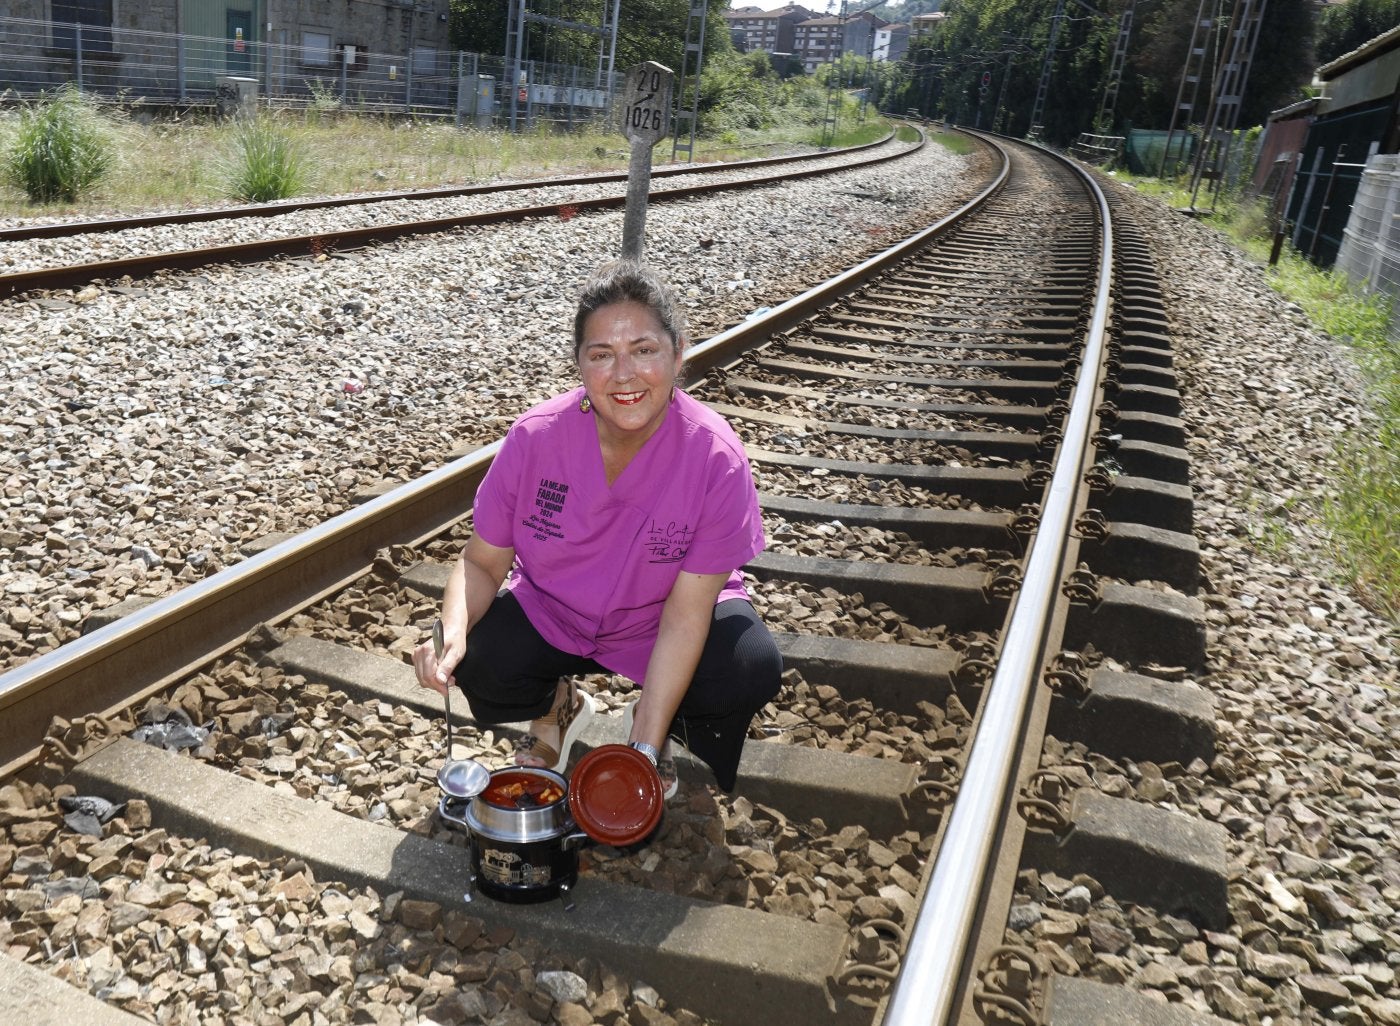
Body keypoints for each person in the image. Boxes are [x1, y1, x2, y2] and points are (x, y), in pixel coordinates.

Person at [413, 260, 782, 797]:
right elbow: (480, 561)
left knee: (746, 667)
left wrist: (643, 750)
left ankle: (657, 718)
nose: (624, 373)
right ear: (580, 366)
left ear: (679, 354)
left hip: (662, 618)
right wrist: (449, 637)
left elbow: (685, 616)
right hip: (556, 610)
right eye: (602, 355)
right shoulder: (536, 438)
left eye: (644, 350)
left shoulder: (715, 456)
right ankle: (558, 709)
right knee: (481, 655)